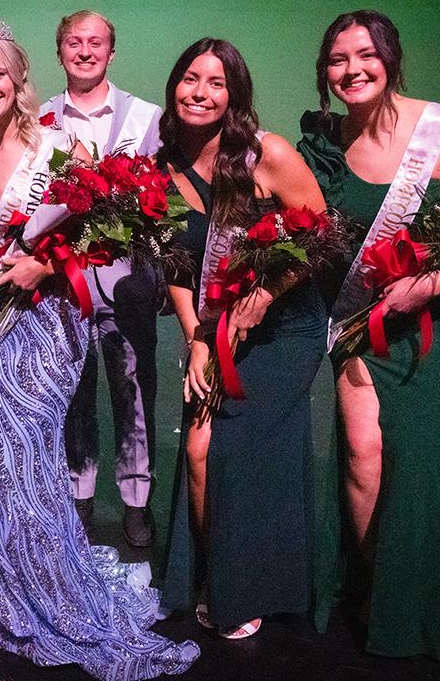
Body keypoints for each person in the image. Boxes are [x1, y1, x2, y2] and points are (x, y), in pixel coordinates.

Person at [0, 16, 199, 680]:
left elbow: (106, 235)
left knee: (25, 458)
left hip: (44, 328)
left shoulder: (59, 148)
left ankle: (50, 595)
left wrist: (43, 269)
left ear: (20, 80)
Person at [296, 10, 440, 661]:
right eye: (337, 59)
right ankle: (373, 582)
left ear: (390, 58)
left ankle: (420, 601)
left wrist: (430, 285)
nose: (352, 69)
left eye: (365, 55)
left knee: (424, 461)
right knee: (362, 452)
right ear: (325, 73)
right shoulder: (327, 145)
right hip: (371, 317)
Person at [156, 38, 327, 640]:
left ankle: (244, 585)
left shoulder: (266, 154)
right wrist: (198, 340)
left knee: (241, 450)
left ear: (235, 96)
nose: (200, 93)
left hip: (283, 327)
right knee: (200, 452)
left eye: (216, 83)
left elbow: (318, 238)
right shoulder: (164, 167)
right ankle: (216, 575)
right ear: (174, 85)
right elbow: (175, 265)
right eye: (191, 80)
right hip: (218, 327)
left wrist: (260, 298)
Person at [41, 10, 164, 545]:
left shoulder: (150, 119)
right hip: (62, 285)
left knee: (134, 392)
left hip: (126, 284)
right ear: (60, 51)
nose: (85, 51)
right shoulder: (39, 118)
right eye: (74, 42)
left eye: (96, 43)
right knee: (72, 395)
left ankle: (137, 501)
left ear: (112, 52)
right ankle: (79, 495)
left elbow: (165, 205)